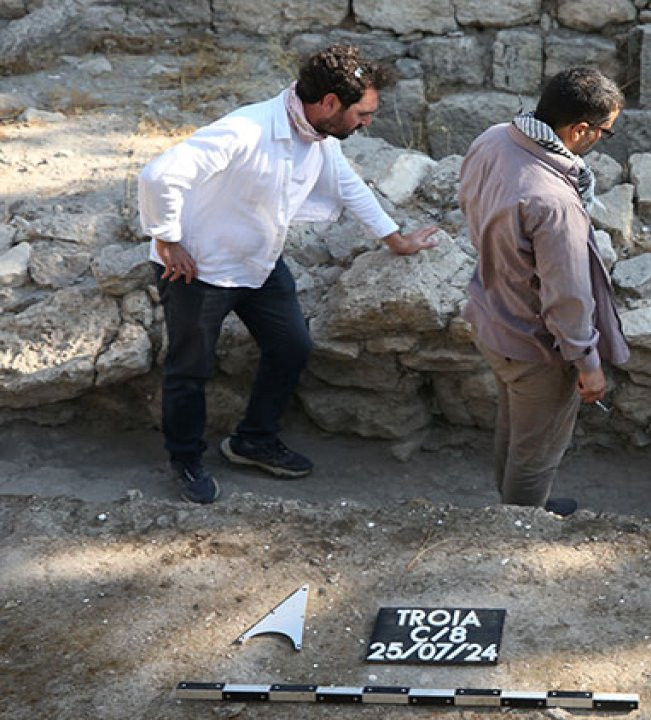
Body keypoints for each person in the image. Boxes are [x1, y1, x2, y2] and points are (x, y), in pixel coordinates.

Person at [138, 44, 439, 504]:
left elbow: (347, 185)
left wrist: (394, 239)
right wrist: (167, 237)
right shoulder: (247, 129)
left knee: (292, 347)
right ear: (331, 104)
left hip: (259, 265)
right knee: (190, 370)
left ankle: (252, 441)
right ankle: (185, 460)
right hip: (201, 269)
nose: (367, 123)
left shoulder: (318, 134)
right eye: (363, 113)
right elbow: (160, 175)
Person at [458, 67, 630, 517]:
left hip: (492, 315)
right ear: (580, 130)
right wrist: (588, 364)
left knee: (515, 429)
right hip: (534, 344)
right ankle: (518, 530)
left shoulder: (495, 138)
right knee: (536, 453)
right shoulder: (553, 201)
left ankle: (511, 508)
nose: (602, 139)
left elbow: (468, 201)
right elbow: (567, 299)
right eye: (605, 132)